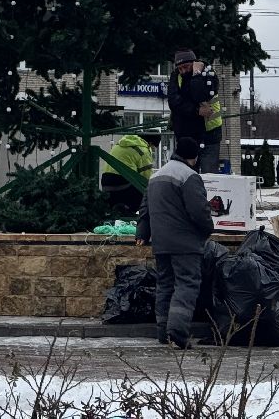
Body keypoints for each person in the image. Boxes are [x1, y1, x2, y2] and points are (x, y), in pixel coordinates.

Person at [136, 136, 215, 349]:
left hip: (161, 243)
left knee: (165, 285)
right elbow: (199, 211)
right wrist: (208, 228)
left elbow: (145, 208)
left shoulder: (157, 176)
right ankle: (178, 333)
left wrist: (142, 233)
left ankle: (163, 331)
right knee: (187, 284)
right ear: (194, 156)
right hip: (185, 243)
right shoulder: (189, 176)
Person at [167, 50, 221, 172]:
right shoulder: (176, 76)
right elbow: (174, 103)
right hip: (186, 135)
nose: (183, 71)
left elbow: (200, 95)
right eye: (180, 68)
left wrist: (196, 74)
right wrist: (197, 110)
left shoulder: (208, 73)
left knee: (209, 176)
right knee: (186, 173)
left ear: (194, 63)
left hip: (209, 133)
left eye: (186, 67)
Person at [100, 132, 156, 214]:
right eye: (153, 147)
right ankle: (132, 211)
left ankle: (120, 208)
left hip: (105, 183)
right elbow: (147, 177)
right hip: (123, 183)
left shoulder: (119, 144)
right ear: (150, 143)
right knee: (145, 192)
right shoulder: (143, 150)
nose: (153, 150)